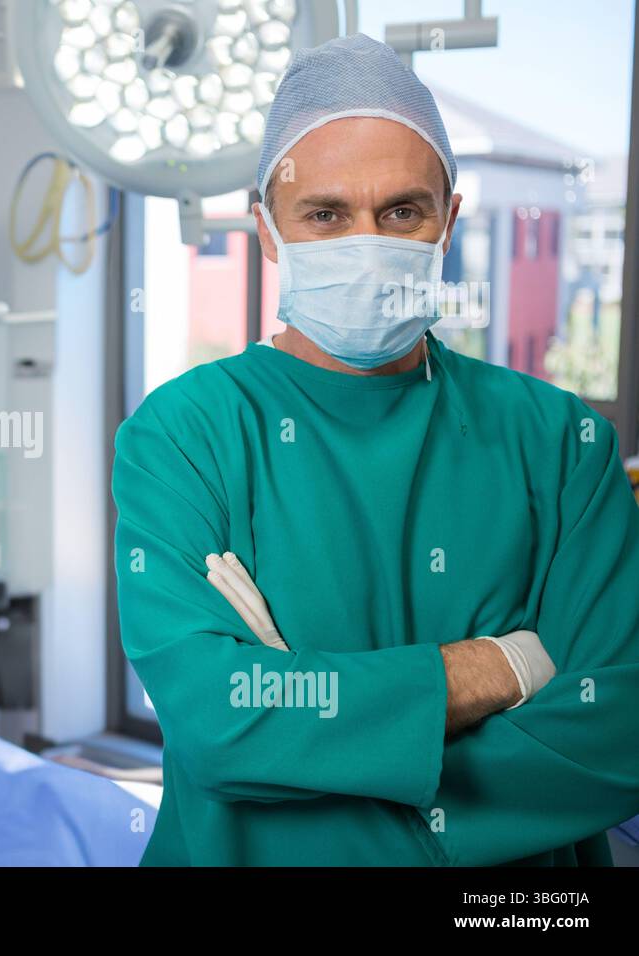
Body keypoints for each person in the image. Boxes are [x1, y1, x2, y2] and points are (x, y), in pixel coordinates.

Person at [112, 33, 639, 866]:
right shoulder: (183, 438)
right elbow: (219, 727)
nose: (367, 240)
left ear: (449, 220)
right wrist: (498, 668)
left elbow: (617, 734)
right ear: (267, 229)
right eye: (325, 214)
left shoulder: (561, 443)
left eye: (402, 211)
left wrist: (313, 724)